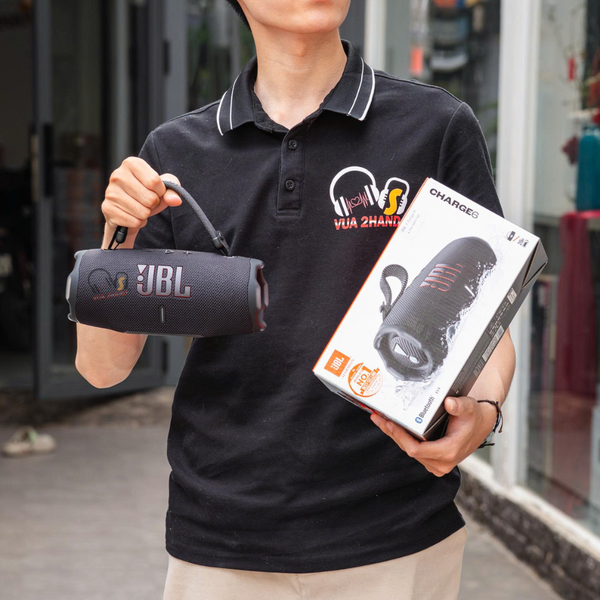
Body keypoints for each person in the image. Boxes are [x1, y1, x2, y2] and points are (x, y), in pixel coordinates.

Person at [75, 1, 516, 598]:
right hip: (220, 541)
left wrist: (482, 413)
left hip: (396, 532)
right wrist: (119, 235)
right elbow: (102, 368)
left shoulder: (434, 125)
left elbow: (487, 325)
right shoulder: (175, 154)